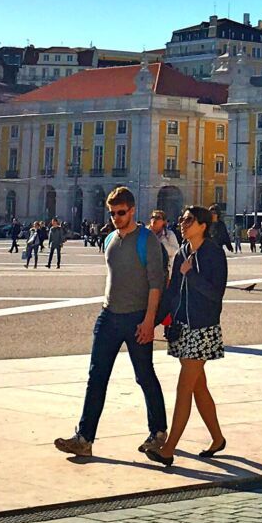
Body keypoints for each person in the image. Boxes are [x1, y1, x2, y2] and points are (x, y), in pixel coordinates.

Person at [53, 188, 169, 460]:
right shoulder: (109, 240)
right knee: (96, 377)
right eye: (112, 213)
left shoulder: (147, 240)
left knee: (144, 376)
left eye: (121, 213)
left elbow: (156, 283)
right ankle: (84, 438)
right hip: (108, 316)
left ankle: (158, 432)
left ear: (132, 211)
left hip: (137, 317)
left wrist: (149, 321)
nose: (116, 218)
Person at [147, 205, 229, 466]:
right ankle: (217, 439)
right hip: (183, 327)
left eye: (189, 220)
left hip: (203, 327)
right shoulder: (183, 251)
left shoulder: (213, 253)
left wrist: (190, 274)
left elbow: (216, 293)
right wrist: (155, 320)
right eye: (182, 219)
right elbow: (172, 292)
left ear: (203, 225)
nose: (183, 224)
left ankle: (168, 449)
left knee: (185, 387)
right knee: (198, 387)